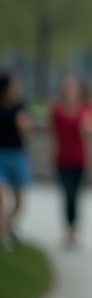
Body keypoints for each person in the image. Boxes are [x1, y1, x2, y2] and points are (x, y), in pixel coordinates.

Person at [49, 74, 92, 249]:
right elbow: (51, 132)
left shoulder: (86, 106)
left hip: (79, 158)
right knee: (67, 193)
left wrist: (88, 128)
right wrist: (52, 151)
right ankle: (69, 228)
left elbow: (90, 130)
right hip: (62, 158)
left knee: (75, 195)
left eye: (73, 86)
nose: (70, 90)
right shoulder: (56, 107)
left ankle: (74, 228)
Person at [0, 70, 33, 250]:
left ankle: (8, 226)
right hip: (0, 154)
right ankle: (3, 236)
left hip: (17, 154)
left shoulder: (20, 106)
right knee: (2, 197)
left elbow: (27, 130)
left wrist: (25, 126)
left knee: (19, 201)